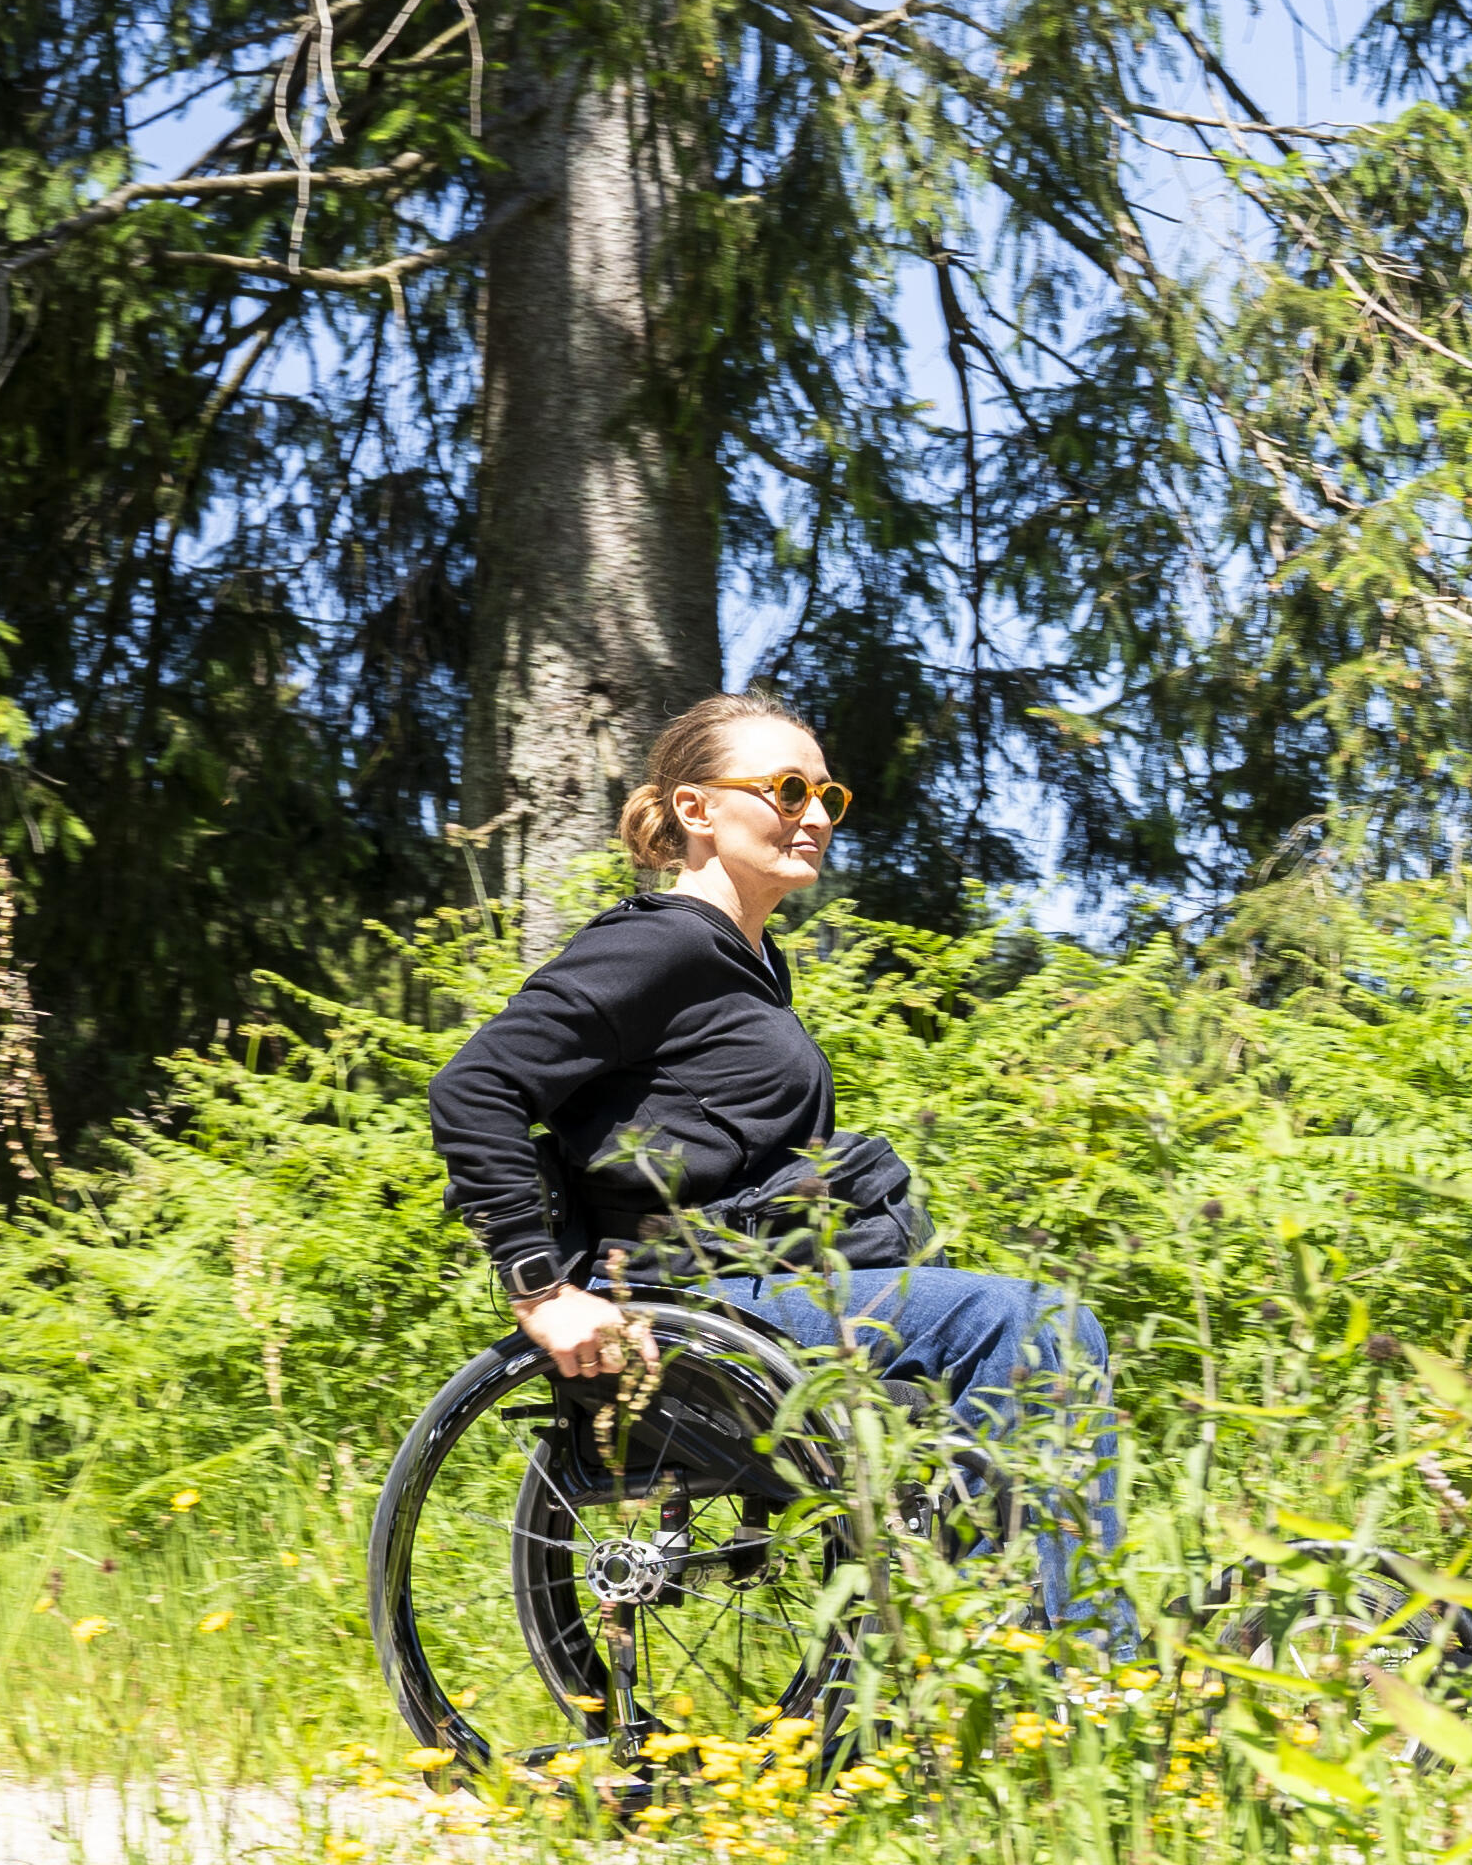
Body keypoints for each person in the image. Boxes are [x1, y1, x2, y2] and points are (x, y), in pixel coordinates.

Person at [428, 691, 1120, 1620]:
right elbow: (474, 1088)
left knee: (1002, 1329)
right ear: (696, 810)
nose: (816, 815)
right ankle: (1081, 1666)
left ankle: (978, 1632)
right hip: (692, 1312)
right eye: (788, 789)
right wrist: (544, 1292)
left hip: (751, 1292)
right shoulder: (657, 943)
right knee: (1029, 1323)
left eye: (829, 795)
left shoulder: (746, 961)